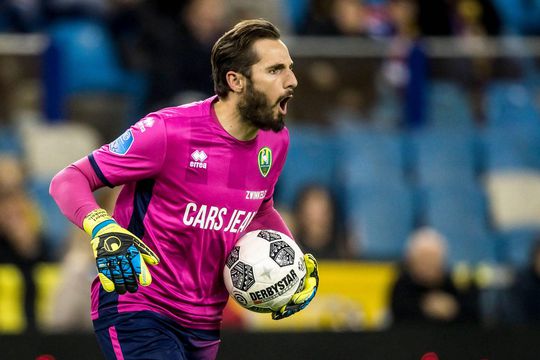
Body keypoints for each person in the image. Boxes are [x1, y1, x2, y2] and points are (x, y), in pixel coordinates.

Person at [49, 19, 319, 360]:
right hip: (139, 304)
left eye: (290, 69)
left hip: (204, 322)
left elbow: (259, 210)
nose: (292, 81)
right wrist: (101, 227)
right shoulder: (167, 132)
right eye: (276, 70)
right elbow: (69, 179)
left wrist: (291, 259)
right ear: (236, 81)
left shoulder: (274, 141)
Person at [390, 227, 479, 325]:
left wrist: (452, 309)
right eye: (423, 259)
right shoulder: (402, 286)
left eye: (433, 259)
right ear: (411, 262)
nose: (428, 264)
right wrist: (427, 308)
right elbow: (401, 320)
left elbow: (473, 319)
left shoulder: (455, 285)